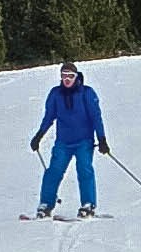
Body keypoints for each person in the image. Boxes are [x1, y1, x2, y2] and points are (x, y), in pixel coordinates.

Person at [29, 60, 108, 217]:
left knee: (84, 169)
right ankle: (46, 204)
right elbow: (49, 117)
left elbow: (95, 117)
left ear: (76, 77)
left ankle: (88, 204)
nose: (67, 79)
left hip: (84, 141)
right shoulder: (55, 94)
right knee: (54, 171)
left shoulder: (87, 93)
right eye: (64, 76)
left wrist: (102, 139)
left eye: (70, 76)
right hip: (63, 142)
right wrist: (39, 136)